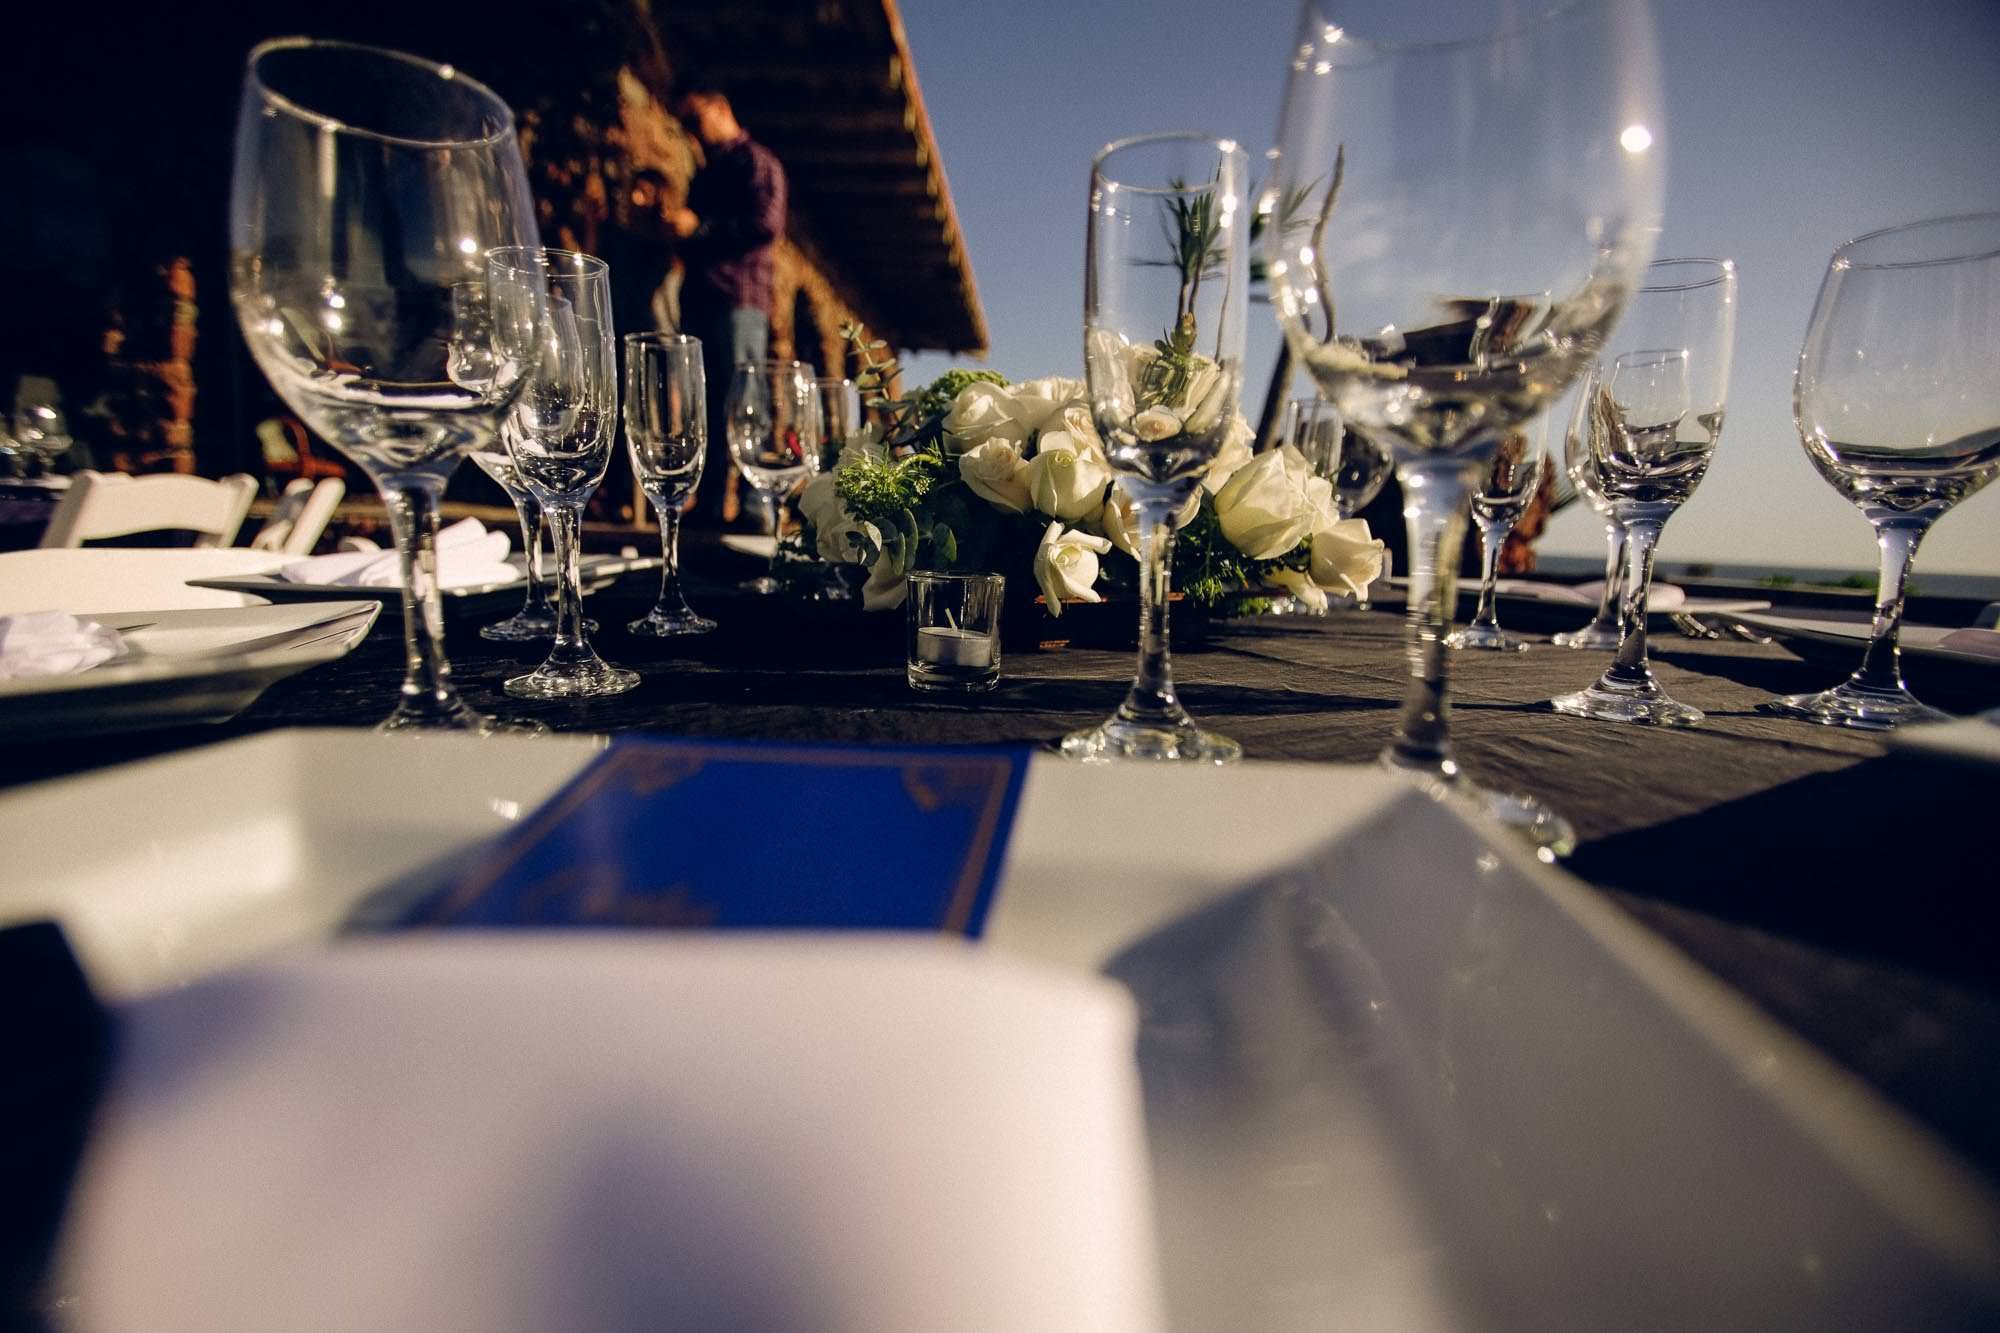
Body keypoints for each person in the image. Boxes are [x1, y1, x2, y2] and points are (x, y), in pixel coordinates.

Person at [668, 85, 787, 526]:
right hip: (701, 297)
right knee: (709, 400)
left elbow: (765, 224)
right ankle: (715, 502)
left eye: (696, 121)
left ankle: (756, 506)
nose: (692, 133)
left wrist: (698, 228)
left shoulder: (755, 162)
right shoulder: (708, 172)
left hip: (739, 299)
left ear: (721, 109)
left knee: (744, 398)